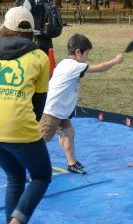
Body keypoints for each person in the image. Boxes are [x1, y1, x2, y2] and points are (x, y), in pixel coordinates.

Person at [40, 33, 123, 174]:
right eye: (87, 53)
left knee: (68, 133)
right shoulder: (73, 66)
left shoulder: (66, 64)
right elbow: (101, 67)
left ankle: (71, 163)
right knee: (38, 142)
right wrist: (115, 61)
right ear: (78, 52)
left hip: (62, 112)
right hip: (52, 112)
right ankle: (28, 168)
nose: (87, 57)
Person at [0, 6, 52, 224]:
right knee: (41, 176)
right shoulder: (39, 57)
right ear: (32, 32)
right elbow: (39, 104)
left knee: (15, 176)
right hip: (20, 126)